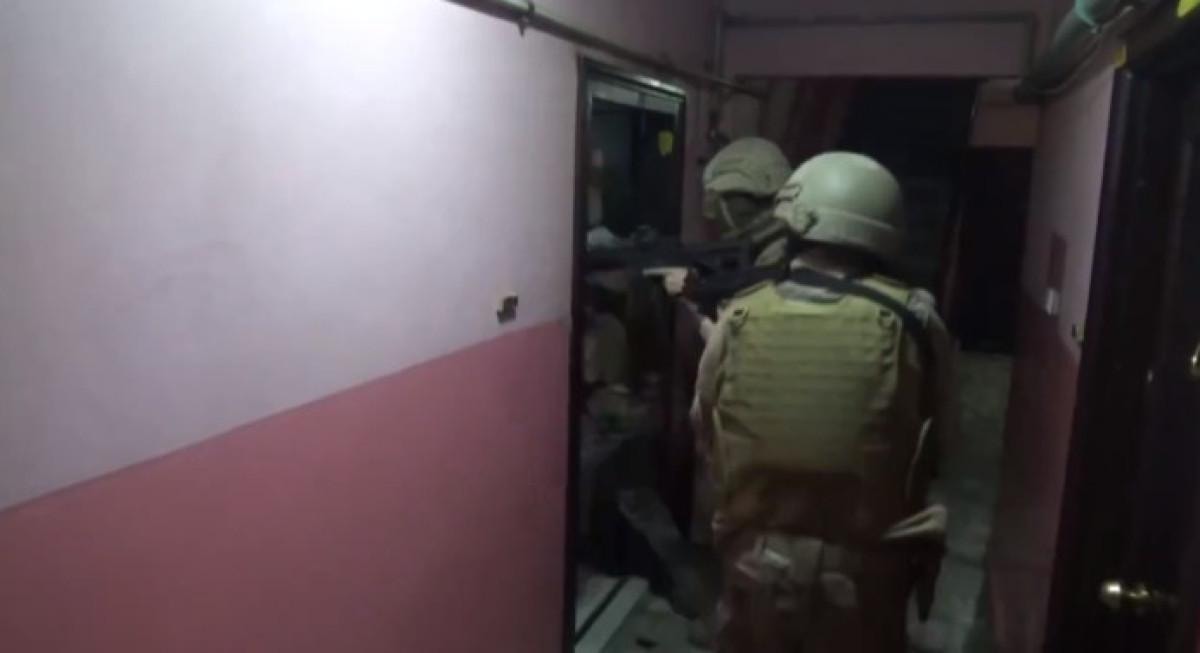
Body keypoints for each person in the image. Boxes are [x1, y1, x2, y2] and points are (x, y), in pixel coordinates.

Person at [691, 152, 955, 652]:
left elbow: (705, 428)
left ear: (796, 222)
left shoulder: (740, 315)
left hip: (755, 561)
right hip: (866, 572)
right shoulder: (916, 322)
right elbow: (940, 442)